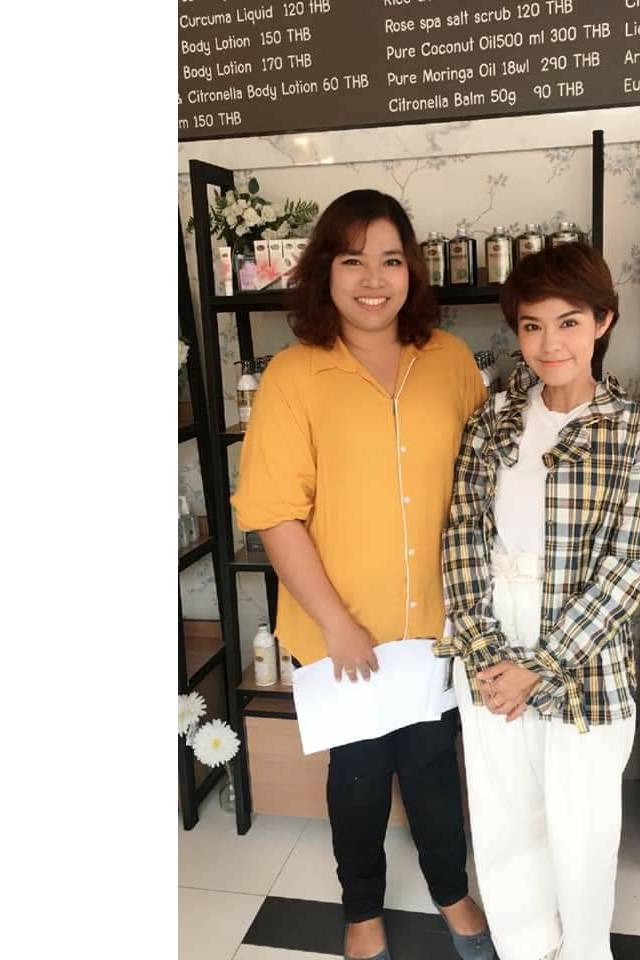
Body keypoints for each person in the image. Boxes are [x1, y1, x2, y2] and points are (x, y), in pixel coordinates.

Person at [231, 189, 496, 960]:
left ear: (412, 270)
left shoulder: (449, 361)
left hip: (438, 624)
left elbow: (482, 480)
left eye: (390, 260)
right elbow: (275, 513)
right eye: (353, 260)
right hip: (341, 629)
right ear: (326, 271)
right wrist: (337, 622)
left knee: (434, 770)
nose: (374, 279)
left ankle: (453, 893)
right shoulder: (293, 375)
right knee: (359, 777)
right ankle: (362, 913)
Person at [435, 243, 640, 960]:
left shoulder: (637, 434)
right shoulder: (493, 423)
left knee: (582, 826)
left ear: (603, 321)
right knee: (505, 818)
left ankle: (584, 950)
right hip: (490, 638)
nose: (550, 344)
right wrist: (485, 654)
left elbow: (630, 567)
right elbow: (462, 534)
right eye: (532, 326)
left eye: (568, 322)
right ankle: (525, 948)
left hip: (583, 653)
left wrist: (538, 666)